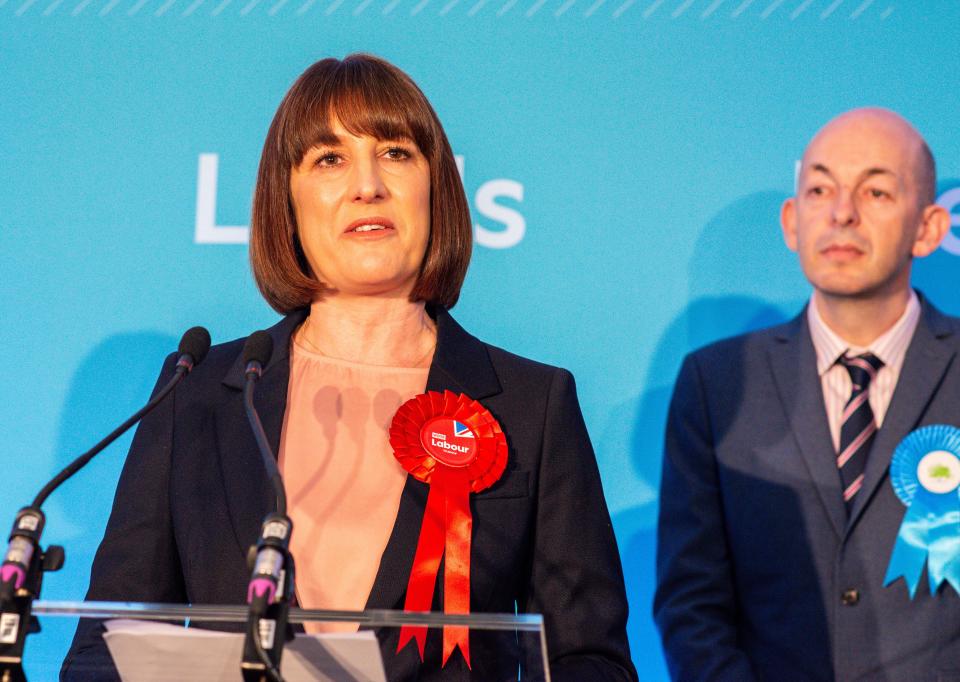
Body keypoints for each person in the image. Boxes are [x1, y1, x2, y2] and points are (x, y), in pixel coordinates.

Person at [62, 54, 636, 681]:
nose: (368, 184)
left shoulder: (531, 404)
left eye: (395, 152)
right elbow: (108, 650)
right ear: (288, 199)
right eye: (329, 159)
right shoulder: (198, 393)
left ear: (434, 187)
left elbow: (588, 660)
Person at [654, 108, 960, 681]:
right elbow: (692, 606)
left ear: (929, 228)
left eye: (875, 192)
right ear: (793, 222)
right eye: (820, 188)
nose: (842, 213)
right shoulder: (716, 383)